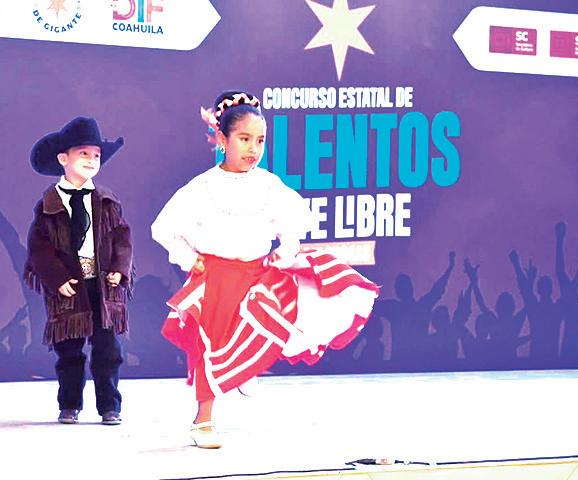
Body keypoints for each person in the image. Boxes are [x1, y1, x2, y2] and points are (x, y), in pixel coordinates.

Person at [152, 91, 379, 448]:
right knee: (210, 342)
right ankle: (203, 420)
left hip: (258, 274)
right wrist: (188, 257)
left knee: (290, 304)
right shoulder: (202, 187)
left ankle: (246, 367)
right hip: (216, 277)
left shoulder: (268, 185)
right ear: (222, 139)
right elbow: (164, 229)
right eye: (244, 139)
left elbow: (293, 223)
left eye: (259, 141)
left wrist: (284, 253)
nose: (253, 149)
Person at [24, 117, 133, 425]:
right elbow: (39, 247)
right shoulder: (48, 204)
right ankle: (69, 404)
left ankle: (110, 406)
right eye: (83, 153)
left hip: (102, 285)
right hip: (70, 285)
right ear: (64, 158)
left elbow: (122, 237)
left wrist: (118, 269)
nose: (91, 160)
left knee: (108, 348)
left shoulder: (107, 201)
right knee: (69, 349)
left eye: (96, 155)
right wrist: (57, 278)